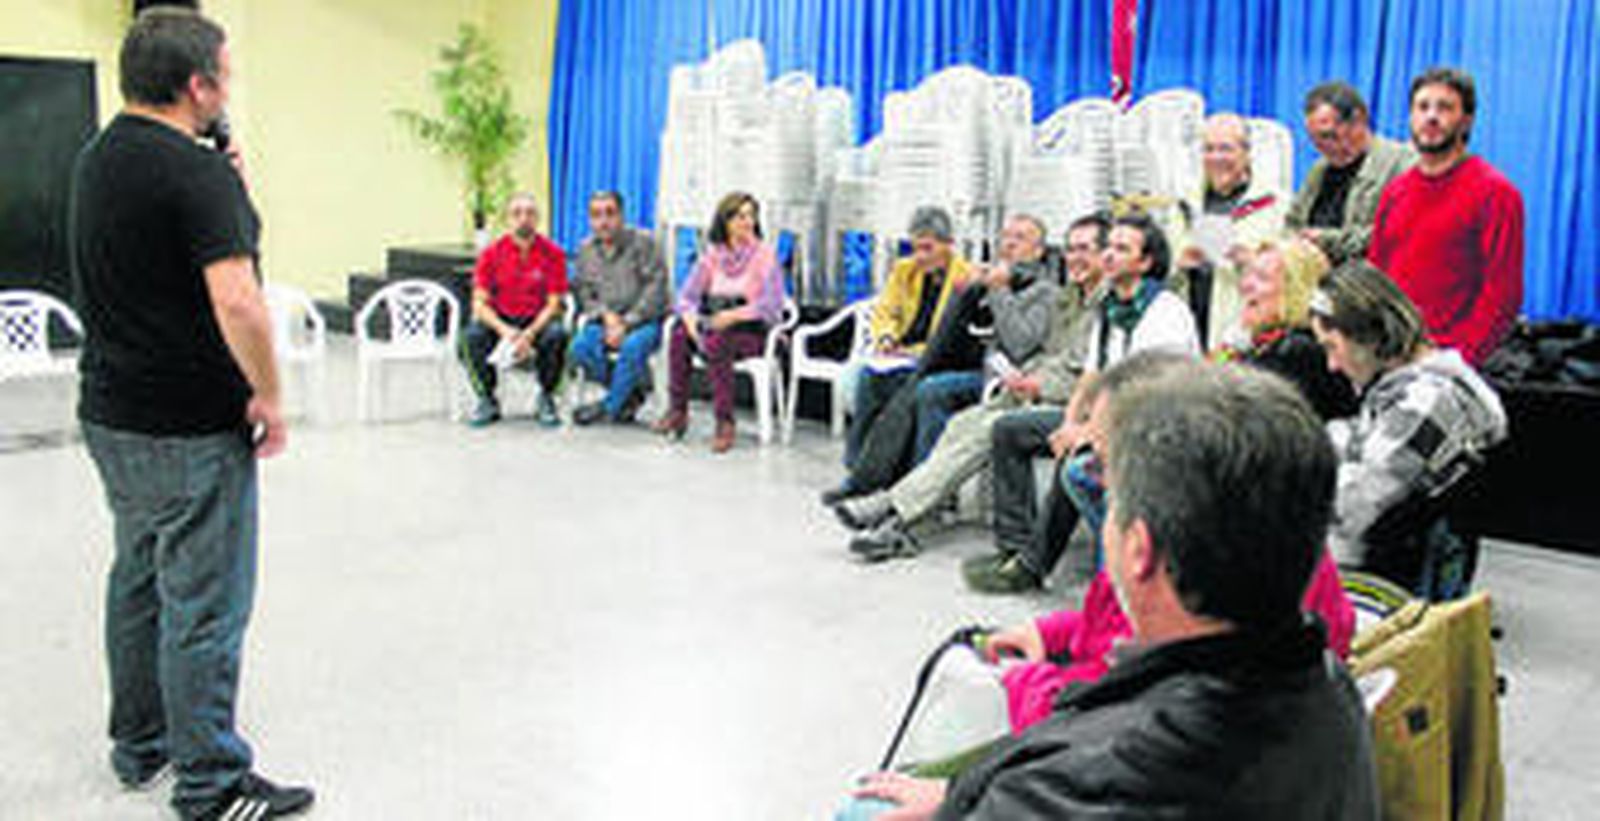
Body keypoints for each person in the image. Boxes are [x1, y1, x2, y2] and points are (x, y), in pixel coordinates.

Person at [846, 363, 1380, 820]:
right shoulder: (1331, 692)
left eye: (1106, 474)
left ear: (1139, 548)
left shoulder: (1074, 785)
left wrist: (971, 797)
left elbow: (1085, 772)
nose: (1091, 480)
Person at [70, 8, 313, 819]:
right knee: (203, 601)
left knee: (138, 578)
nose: (229, 87)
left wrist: (228, 187)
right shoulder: (195, 174)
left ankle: (139, 745)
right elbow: (239, 302)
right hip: (188, 426)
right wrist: (271, 397)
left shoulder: (100, 157)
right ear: (198, 85)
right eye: (225, 74)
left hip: (113, 417)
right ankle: (209, 781)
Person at [834, 213, 1109, 562]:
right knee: (957, 424)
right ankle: (897, 513)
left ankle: (895, 513)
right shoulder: (1071, 298)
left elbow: (1070, 364)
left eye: (1085, 249)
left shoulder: (1074, 299)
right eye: (1070, 249)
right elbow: (1042, 352)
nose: (1075, 258)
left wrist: (1033, 378)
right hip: (1013, 383)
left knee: (969, 418)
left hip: (1059, 400)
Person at [962, 212, 1199, 591]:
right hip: (1113, 417)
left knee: (1079, 462)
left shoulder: (1164, 311)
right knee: (1010, 430)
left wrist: (1086, 432)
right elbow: (1093, 378)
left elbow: (1139, 392)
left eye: (1122, 249)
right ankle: (1017, 549)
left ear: (1146, 262)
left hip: (1158, 425)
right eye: (1109, 247)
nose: (1109, 256)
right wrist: (1072, 422)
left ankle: (1101, 574)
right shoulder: (1111, 308)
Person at [1310, 260, 1508, 595]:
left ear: (1369, 336)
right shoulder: (1423, 389)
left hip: (1383, 589)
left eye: (1332, 347)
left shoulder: (1422, 403)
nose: (1331, 365)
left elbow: (1348, 512)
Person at [1368, 66, 1524, 367]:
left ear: (1466, 120)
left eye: (1445, 108)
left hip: (1451, 365)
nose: (1431, 117)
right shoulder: (1395, 192)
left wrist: (1456, 359)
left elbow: (1503, 296)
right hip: (1391, 357)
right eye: (1422, 107)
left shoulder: (1496, 193)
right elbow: (1376, 277)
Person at [837, 206, 974, 472]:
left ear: (949, 245)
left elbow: (952, 336)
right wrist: (887, 337)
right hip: (899, 352)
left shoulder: (964, 277)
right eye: (915, 248)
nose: (919, 256)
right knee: (865, 375)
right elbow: (886, 310)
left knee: (882, 382)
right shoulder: (904, 270)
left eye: (928, 248)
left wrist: (918, 352)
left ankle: (885, 467)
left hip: (933, 356)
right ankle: (859, 463)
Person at [652, 191, 786, 453]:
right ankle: (678, 412)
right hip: (715, 321)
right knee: (680, 335)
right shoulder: (713, 256)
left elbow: (771, 305)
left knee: (719, 342)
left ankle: (725, 421)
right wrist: (690, 321)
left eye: (750, 216)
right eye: (739, 216)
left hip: (753, 329)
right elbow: (687, 297)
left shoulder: (765, 256)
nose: (746, 222)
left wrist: (734, 316)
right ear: (724, 222)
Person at [1174, 113, 1287, 347]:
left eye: (1226, 149)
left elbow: (1292, 277)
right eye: (1209, 149)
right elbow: (1161, 267)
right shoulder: (1185, 202)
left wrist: (1251, 262)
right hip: (1189, 325)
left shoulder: (1274, 204)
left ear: (1246, 154)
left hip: (1243, 331)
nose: (1216, 158)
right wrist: (1178, 263)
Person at [459, 192, 570, 427]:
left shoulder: (553, 253)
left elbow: (554, 303)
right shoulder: (490, 254)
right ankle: (486, 398)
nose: (524, 219)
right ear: (507, 219)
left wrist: (530, 332)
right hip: (502, 320)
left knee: (557, 335)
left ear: (538, 218)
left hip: (537, 319)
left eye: (530, 213)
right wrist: (504, 331)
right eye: (517, 213)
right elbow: (479, 304)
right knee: (471, 337)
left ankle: (547, 397)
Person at [1286, 81, 1416, 265]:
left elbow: (1397, 234)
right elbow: (1293, 222)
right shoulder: (1319, 170)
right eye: (1315, 141)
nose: (1324, 148)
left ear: (1359, 120)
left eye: (1329, 136)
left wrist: (1327, 240)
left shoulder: (1402, 164)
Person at [568, 190, 669, 426]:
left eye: (610, 213)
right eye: (596, 215)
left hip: (644, 321)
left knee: (633, 347)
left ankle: (609, 407)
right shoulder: (585, 250)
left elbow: (656, 290)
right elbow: (584, 293)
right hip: (605, 320)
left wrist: (628, 322)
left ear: (622, 215)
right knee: (580, 347)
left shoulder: (644, 243)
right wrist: (606, 316)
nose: (603, 221)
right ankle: (630, 394)